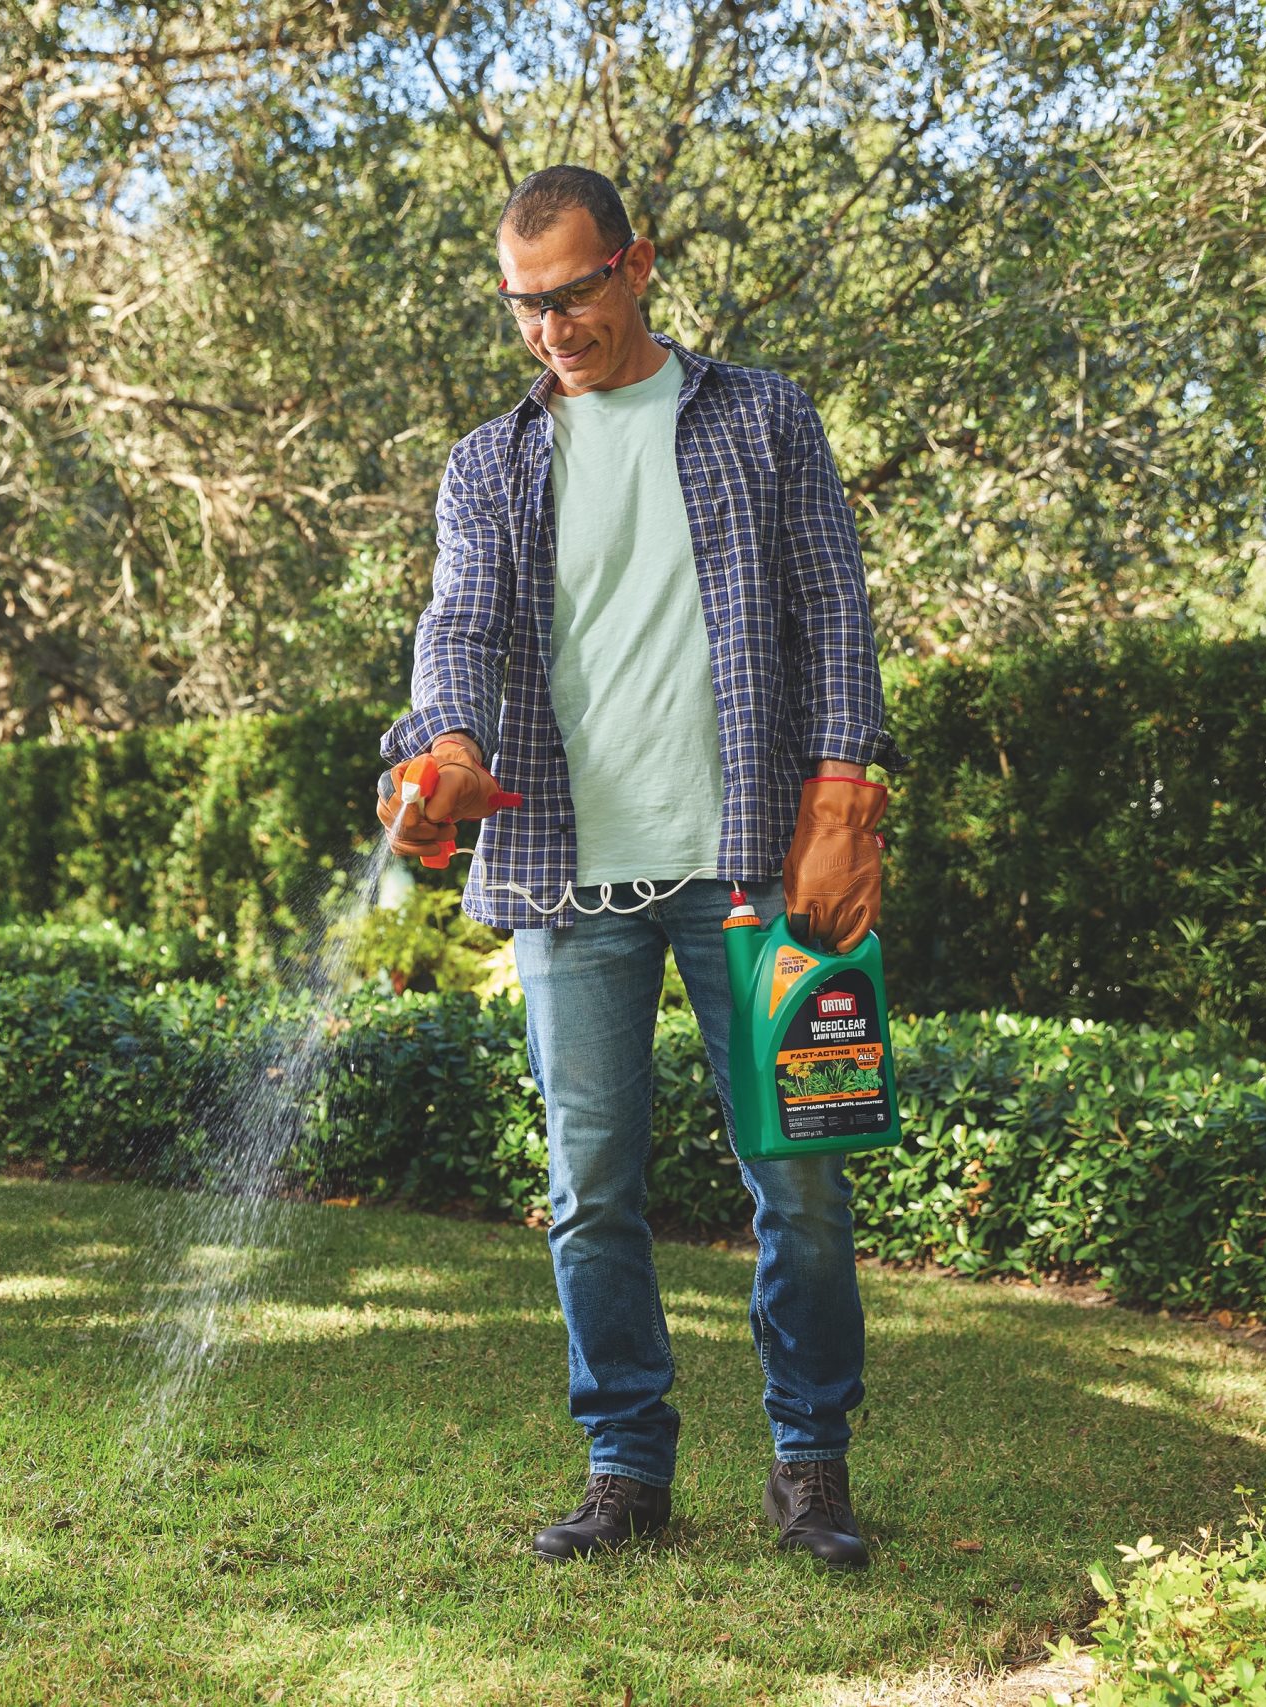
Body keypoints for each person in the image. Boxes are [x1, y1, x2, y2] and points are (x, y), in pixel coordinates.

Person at [376, 164, 903, 1570]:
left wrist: (846, 799)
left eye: (574, 293)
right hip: (565, 875)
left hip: (750, 873)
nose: (552, 328)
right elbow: (460, 631)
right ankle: (626, 1470)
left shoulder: (760, 417)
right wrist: (447, 747)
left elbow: (834, 618)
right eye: (525, 306)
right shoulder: (491, 462)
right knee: (591, 1188)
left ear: (639, 266)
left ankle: (810, 1467)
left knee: (798, 1177)